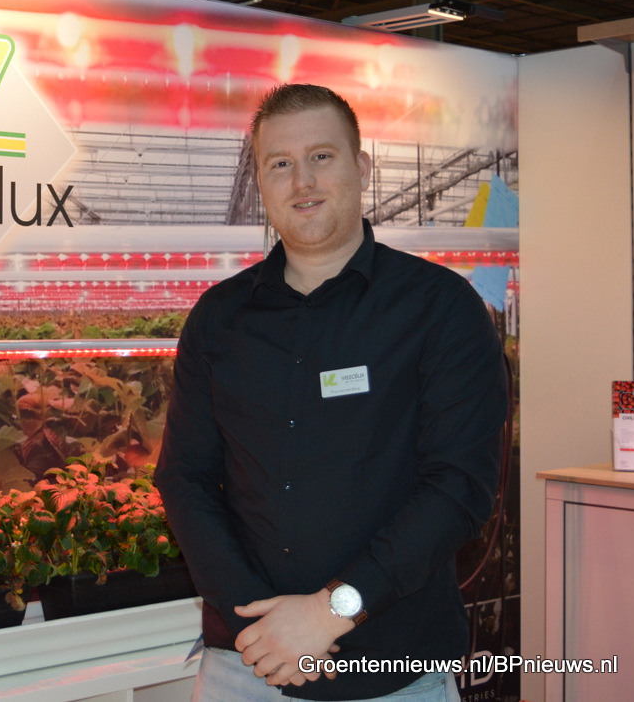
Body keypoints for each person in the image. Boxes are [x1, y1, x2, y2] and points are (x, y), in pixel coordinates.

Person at [156, 84, 507, 701]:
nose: (302, 181)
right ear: (261, 183)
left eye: (321, 156)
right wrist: (260, 624)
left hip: (393, 673)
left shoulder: (439, 308)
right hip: (246, 667)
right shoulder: (219, 319)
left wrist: (331, 610)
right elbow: (185, 477)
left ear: (361, 168)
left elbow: (458, 487)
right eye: (280, 164)